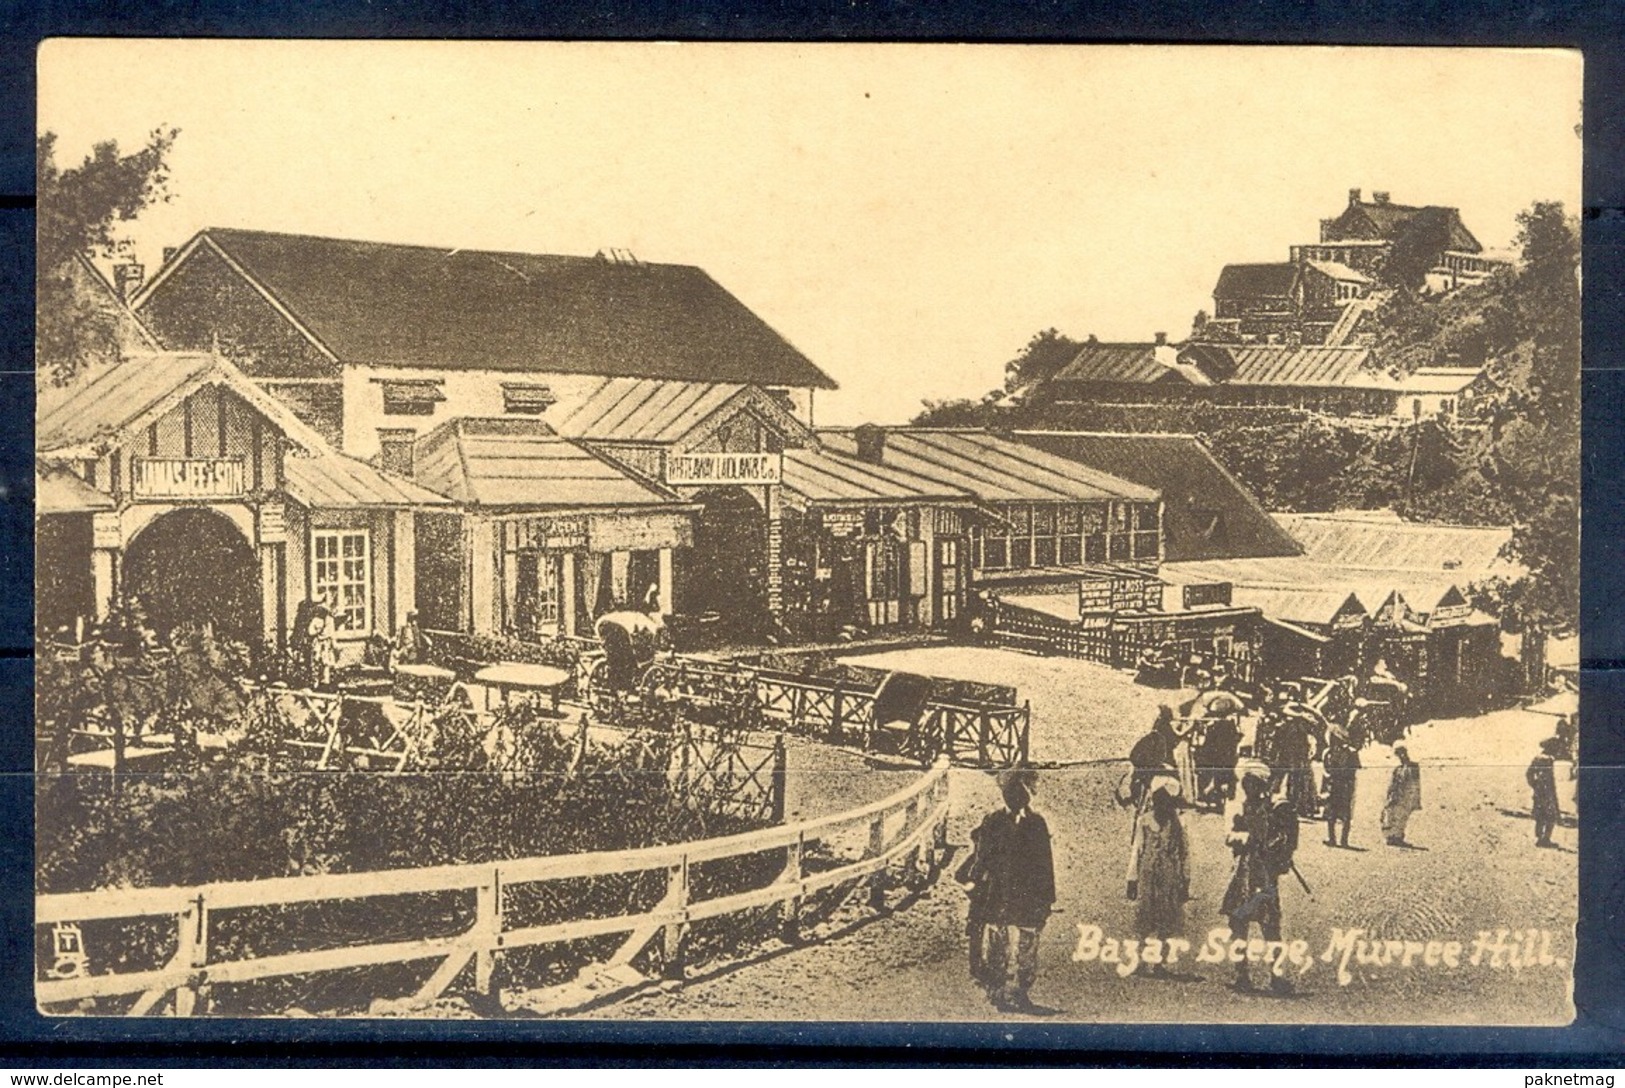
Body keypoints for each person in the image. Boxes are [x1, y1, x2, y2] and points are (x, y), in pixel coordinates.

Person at [963, 768, 1056, 1012]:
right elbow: (982, 858)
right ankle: (998, 990)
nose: (1016, 801)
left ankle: (1022, 990)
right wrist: (977, 884)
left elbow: (1045, 863)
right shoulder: (993, 822)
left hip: (1027, 893)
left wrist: (1047, 898)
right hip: (999, 891)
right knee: (997, 941)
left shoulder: (1036, 824)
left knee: (1028, 943)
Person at [1221, 759, 1299, 993]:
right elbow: (1229, 836)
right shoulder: (1238, 808)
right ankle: (1241, 974)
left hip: (1265, 874)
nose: (1248, 788)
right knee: (1237, 922)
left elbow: (1287, 838)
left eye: (1252, 783)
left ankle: (1276, 976)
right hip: (1243, 872)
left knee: (1270, 926)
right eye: (1245, 783)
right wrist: (1244, 839)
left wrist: (1276, 848)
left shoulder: (1276, 809)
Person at [1129, 771, 1190, 971]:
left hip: (1169, 874)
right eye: (1159, 801)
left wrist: (1185, 879)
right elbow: (1137, 850)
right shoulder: (1145, 821)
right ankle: (1141, 959)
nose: (1162, 806)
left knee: (1166, 916)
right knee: (1145, 916)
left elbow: (1184, 853)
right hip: (1148, 873)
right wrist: (1132, 879)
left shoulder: (1176, 824)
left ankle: (1159, 962)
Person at [1321, 732, 1361, 848]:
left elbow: (1353, 770)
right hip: (1334, 784)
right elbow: (1326, 769)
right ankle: (1332, 838)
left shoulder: (1351, 752)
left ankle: (1343, 840)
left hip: (1344, 785)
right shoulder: (1328, 752)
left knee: (1346, 814)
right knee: (1331, 813)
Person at [1381, 744, 1422, 846]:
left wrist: (1414, 798)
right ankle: (1392, 837)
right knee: (1392, 814)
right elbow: (1393, 783)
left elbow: (1414, 783)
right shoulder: (1398, 768)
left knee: (1402, 816)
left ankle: (1397, 837)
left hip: (1406, 795)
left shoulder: (1413, 767)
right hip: (1397, 794)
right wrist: (1390, 795)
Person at [1527, 737, 1563, 848]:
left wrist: (1534, 785)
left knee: (1540, 815)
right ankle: (1546, 839)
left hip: (1539, 791)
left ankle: (1539, 838)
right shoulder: (1548, 760)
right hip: (1547, 792)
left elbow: (1529, 773)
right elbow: (1549, 779)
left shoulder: (1537, 758)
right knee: (1551, 816)